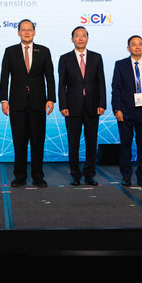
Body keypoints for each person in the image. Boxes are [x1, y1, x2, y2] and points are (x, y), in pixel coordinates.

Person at [0, 19, 56, 187]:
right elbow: (4, 78)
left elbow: (50, 77)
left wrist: (51, 98)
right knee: (19, 142)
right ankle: (20, 176)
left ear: (34, 32)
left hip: (38, 104)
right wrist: (4, 100)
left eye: (29, 29)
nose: (26, 32)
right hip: (17, 104)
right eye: (23, 29)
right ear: (18, 32)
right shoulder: (10, 51)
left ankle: (38, 176)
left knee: (38, 142)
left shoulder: (44, 51)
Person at [58, 26, 106, 186]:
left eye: (83, 35)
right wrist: (63, 105)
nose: (80, 38)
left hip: (93, 106)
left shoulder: (97, 57)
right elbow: (61, 85)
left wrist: (102, 103)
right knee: (73, 143)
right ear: (72, 39)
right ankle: (75, 174)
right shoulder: (65, 58)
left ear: (87, 38)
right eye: (77, 36)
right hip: (72, 107)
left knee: (91, 142)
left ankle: (89, 174)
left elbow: (101, 83)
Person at [111, 35, 142, 187]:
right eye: (133, 44)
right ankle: (126, 176)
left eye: (140, 44)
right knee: (126, 146)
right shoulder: (120, 65)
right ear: (128, 48)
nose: (137, 47)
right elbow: (116, 89)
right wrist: (117, 109)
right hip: (125, 112)